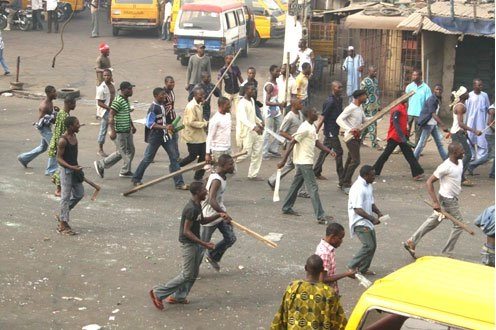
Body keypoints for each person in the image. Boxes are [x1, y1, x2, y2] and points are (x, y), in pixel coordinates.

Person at [149, 181, 224, 309]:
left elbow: (203, 221)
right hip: (188, 244)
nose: (206, 192)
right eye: (203, 190)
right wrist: (205, 244)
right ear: (196, 193)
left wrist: (218, 215)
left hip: (195, 243)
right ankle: (158, 292)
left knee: (194, 273)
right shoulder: (191, 208)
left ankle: (178, 297)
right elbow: (186, 231)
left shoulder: (198, 205)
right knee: (187, 274)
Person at [403, 142, 468, 258]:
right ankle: (447, 253)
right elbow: (429, 182)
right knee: (459, 225)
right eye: (460, 150)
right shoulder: (445, 166)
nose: (463, 152)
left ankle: (411, 242)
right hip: (448, 200)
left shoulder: (460, 162)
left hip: (451, 198)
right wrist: (435, 202)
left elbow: (457, 176)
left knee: (434, 220)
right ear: (453, 153)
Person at [278, 107, 335, 225]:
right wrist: (283, 160)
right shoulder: (304, 128)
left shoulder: (312, 127)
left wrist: (328, 151)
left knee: (296, 185)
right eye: (314, 112)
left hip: (304, 161)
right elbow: (293, 141)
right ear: (308, 114)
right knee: (313, 188)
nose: (317, 113)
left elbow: (316, 142)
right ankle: (320, 216)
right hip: (304, 162)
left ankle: (286, 207)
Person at [270, 254, 348, 330]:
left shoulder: (293, 287)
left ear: (305, 268)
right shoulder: (328, 292)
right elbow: (339, 321)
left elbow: (282, 313)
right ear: (322, 269)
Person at [131, 88, 188, 189]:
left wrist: (168, 126)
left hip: (165, 136)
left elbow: (163, 120)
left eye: (165, 94)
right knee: (148, 158)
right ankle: (136, 178)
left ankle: (179, 183)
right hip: (155, 137)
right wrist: (165, 127)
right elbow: (150, 124)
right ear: (156, 96)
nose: (164, 96)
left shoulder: (162, 105)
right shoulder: (153, 108)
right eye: (162, 95)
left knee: (174, 157)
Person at [373, 94, 424, 180]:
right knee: (386, 155)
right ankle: (374, 171)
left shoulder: (403, 107)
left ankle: (417, 173)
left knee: (409, 155)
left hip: (401, 136)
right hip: (395, 136)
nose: (407, 99)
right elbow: (396, 124)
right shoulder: (397, 109)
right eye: (405, 97)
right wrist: (403, 137)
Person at [94, 81, 136, 179]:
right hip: (120, 131)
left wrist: (132, 126)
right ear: (123, 90)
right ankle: (101, 164)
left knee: (131, 150)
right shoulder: (118, 101)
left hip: (127, 130)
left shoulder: (125, 100)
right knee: (120, 153)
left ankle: (125, 171)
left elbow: (127, 114)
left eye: (131, 88)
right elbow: (111, 115)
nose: (131, 91)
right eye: (129, 89)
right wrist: (112, 131)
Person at [201, 154, 236, 271]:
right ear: (223, 166)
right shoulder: (217, 180)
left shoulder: (222, 176)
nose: (233, 166)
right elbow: (211, 200)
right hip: (210, 216)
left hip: (220, 213)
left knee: (230, 238)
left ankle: (213, 256)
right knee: (202, 245)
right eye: (230, 164)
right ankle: (191, 270)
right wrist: (223, 213)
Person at [347, 165, 384, 275]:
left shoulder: (368, 185)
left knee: (373, 246)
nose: (374, 178)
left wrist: (378, 212)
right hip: (359, 221)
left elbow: (371, 202)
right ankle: (352, 265)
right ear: (365, 175)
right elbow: (358, 209)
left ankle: (363, 268)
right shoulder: (358, 188)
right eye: (372, 176)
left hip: (367, 221)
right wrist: (372, 218)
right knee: (368, 245)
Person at [17, 86, 59, 174]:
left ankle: (24, 158)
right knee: (54, 147)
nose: (56, 93)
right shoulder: (45, 106)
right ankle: (51, 170)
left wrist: (55, 112)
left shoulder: (50, 102)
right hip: (44, 128)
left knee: (43, 147)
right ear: (49, 93)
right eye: (54, 92)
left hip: (46, 127)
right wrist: (55, 116)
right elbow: (46, 121)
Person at [267, 98, 304, 190]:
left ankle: (273, 180)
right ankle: (300, 189)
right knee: (299, 167)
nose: (302, 105)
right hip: (292, 145)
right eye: (300, 103)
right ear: (294, 105)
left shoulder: (300, 114)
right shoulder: (289, 117)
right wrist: (292, 139)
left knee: (290, 165)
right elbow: (282, 132)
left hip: (298, 144)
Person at [55, 116, 84, 236]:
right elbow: (59, 159)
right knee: (65, 198)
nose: (79, 125)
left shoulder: (74, 136)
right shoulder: (63, 140)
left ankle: (63, 214)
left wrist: (75, 168)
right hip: (66, 172)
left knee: (79, 194)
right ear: (70, 126)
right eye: (77, 124)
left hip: (75, 170)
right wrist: (71, 167)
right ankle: (62, 224)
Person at [336, 89, 368, 194]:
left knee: (350, 160)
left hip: (357, 137)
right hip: (350, 138)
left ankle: (343, 181)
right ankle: (346, 183)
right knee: (356, 161)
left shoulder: (360, 107)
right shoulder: (350, 108)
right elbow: (339, 119)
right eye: (364, 96)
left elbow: (364, 120)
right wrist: (349, 129)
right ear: (358, 97)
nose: (366, 97)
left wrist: (377, 117)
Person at [449, 86, 481, 187]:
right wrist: (474, 131)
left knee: (458, 155)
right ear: (462, 95)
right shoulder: (460, 107)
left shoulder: (461, 105)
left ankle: (456, 175)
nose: (468, 94)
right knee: (467, 154)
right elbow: (460, 123)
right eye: (467, 92)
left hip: (458, 133)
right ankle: (460, 176)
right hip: (458, 133)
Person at [315, 81, 344, 182]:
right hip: (330, 130)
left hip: (335, 129)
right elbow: (323, 116)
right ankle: (342, 178)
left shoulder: (339, 99)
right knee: (339, 152)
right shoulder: (330, 101)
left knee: (324, 151)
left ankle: (316, 171)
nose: (340, 89)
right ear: (333, 88)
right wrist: (317, 129)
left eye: (341, 87)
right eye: (338, 87)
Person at [315, 223, 356, 295]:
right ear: (332, 237)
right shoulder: (325, 254)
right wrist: (346, 274)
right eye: (340, 238)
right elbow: (322, 279)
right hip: (326, 293)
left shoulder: (326, 247)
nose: (341, 241)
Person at [48, 96, 77, 197]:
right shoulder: (65, 116)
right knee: (62, 166)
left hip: (58, 142)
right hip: (61, 144)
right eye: (74, 104)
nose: (75, 106)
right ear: (69, 103)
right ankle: (58, 188)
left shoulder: (61, 113)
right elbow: (61, 132)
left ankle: (57, 180)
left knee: (62, 166)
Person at [236, 84, 264, 179]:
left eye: (254, 90)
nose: (254, 92)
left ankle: (253, 174)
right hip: (247, 131)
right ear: (246, 90)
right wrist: (254, 127)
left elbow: (253, 115)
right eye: (252, 90)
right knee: (246, 153)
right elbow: (243, 119)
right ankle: (226, 162)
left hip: (254, 130)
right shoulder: (241, 104)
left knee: (258, 152)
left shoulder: (252, 100)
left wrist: (260, 122)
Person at [179, 87, 208, 181]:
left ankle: (198, 176)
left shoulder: (199, 104)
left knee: (203, 157)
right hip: (192, 136)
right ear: (195, 95)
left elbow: (199, 118)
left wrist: (204, 122)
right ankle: (176, 166)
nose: (203, 96)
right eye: (201, 95)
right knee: (193, 156)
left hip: (200, 136)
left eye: (203, 94)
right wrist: (204, 124)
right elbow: (191, 122)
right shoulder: (191, 106)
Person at [414, 84, 448, 161]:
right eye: (437, 89)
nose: (438, 91)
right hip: (428, 124)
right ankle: (413, 161)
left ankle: (446, 160)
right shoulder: (432, 99)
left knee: (439, 143)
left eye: (440, 90)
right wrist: (442, 125)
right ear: (434, 90)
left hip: (433, 124)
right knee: (421, 144)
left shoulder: (437, 98)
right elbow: (433, 114)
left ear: (442, 91)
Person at [262, 64, 285, 160]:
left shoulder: (275, 82)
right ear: (271, 72)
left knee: (281, 129)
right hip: (269, 111)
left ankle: (273, 148)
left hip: (275, 111)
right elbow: (267, 102)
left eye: (279, 71)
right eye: (277, 71)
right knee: (268, 131)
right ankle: (264, 152)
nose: (279, 73)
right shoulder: (269, 86)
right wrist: (279, 104)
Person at [466, 79, 490, 162]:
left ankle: (481, 158)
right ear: (474, 86)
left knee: (482, 140)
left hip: (481, 122)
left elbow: (488, 108)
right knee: (470, 139)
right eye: (479, 85)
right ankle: (471, 156)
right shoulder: (469, 95)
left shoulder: (485, 95)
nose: (480, 87)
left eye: (481, 85)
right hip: (470, 122)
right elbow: (466, 110)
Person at [405, 69, 431, 145]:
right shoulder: (409, 87)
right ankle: (404, 146)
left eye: (416, 75)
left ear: (420, 76)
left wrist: (426, 114)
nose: (414, 77)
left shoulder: (426, 88)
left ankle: (417, 148)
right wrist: (405, 111)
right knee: (406, 130)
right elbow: (406, 100)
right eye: (413, 75)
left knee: (418, 132)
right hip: (409, 113)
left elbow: (428, 102)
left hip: (420, 114)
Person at [469, 104, 494, 177]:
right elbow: (489, 123)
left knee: (493, 154)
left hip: (492, 134)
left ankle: (493, 173)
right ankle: (472, 165)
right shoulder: (492, 110)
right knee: (491, 155)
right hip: (490, 135)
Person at [360, 65, 382, 150]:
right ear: (369, 72)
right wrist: (363, 105)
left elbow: (377, 93)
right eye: (374, 71)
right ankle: (374, 144)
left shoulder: (375, 81)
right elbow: (361, 95)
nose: (376, 73)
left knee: (367, 124)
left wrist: (378, 104)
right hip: (368, 106)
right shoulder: (364, 82)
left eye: (376, 71)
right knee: (372, 123)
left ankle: (360, 140)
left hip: (375, 106)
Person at [205, 97, 232, 163]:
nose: (230, 106)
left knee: (231, 170)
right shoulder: (215, 119)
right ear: (221, 106)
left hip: (228, 148)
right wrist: (207, 153)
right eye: (227, 105)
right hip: (218, 151)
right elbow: (209, 137)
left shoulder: (228, 115)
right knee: (219, 171)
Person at [96, 69, 116, 157]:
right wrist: (109, 108)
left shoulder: (113, 85)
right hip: (105, 112)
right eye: (105, 75)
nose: (106, 77)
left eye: (108, 75)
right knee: (105, 129)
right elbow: (99, 102)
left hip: (113, 109)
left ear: (111, 76)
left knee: (109, 128)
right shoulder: (101, 88)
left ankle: (118, 147)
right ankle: (100, 149)